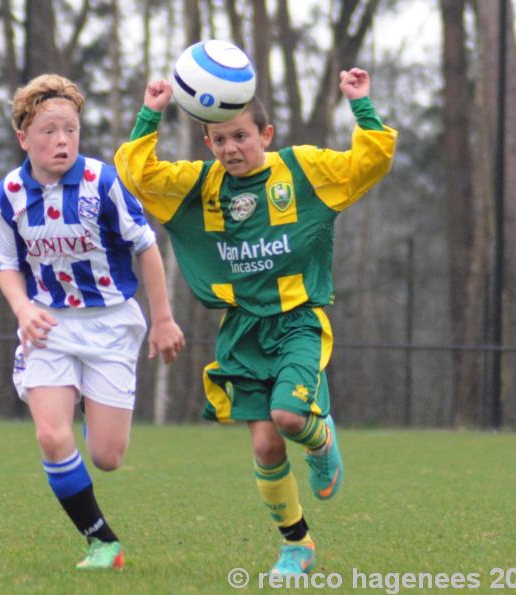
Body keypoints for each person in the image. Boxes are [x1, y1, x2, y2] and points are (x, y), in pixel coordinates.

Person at [114, 68, 397, 574]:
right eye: (219, 139)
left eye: (241, 135)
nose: (230, 147)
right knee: (266, 445)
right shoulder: (201, 186)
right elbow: (138, 174)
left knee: (290, 419)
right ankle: (297, 544)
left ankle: (322, 439)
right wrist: (150, 113)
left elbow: (369, 161)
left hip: (298, 322)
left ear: (265, 135)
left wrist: (360, 105)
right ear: (208, 141)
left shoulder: (303, 171)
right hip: (241, 330)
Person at [0, 74, 185, 570]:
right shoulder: (8, 192)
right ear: (23, 138)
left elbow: (147, 248)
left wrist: (162, 320)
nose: (62, 141)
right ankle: (103, 542)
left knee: (107, 456)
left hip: (111, 325)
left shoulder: (102, 181)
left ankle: (85, 397)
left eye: (71, 130)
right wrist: (22, 307)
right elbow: (7, 264)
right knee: (52, 436)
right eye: (50, 131)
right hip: (49, 326)